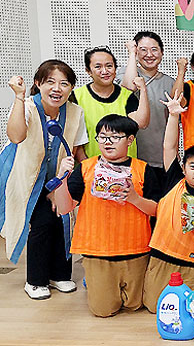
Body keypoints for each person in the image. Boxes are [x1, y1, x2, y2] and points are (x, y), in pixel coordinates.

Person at [53, 115, 161, 317]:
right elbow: (64, 208)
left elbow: (156, 210)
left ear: (130, 140)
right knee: (103, 310)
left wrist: (134, 198)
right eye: (102, 137)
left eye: (115, 137)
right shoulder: (86, 168)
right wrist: (61, 179)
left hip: (136, 250)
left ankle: (102, 284)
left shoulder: (143, 169)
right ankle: (95, 281)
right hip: (98, 251)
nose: (107, 142)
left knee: (135, 305)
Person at [1, 60, 87, 300]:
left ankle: (59, 275)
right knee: (42, 222)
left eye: (64, 83)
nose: (57, 89)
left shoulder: (75, 112)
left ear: (71, 88)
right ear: (38, 83)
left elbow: (76, 150)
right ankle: (36, 281)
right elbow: (16, 136)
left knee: (62, 219)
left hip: (58, 178)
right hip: (24, 177)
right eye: (50, 82)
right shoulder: (26, 106)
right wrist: (18, 97)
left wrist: (63, 184)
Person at [142, 91, 194, 313]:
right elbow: (169, 147)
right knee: (154, 307)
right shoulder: (174, 181)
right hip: (163, 254)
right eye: (193, 166)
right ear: (184, 168)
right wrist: (174, 115)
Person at [73, 46, 150, 159]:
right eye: (98, 67)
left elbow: (141, 123)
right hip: (92, 166)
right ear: (88, 71)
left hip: (126, 166)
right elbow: (75, 139)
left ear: (115, 69)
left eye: (109, 66)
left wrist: (143, 90)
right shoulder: (76, 97)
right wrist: (86, 166)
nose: (105, 71)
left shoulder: (127, 96)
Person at [119, 31, 176, 182]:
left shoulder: (170, 83)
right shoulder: (124, 73)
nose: (149, 54)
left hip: (159, 158)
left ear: (162, 52)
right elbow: (129, 87)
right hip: (130, 156)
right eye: (143, 50)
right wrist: (132, 53)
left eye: (154, 49)